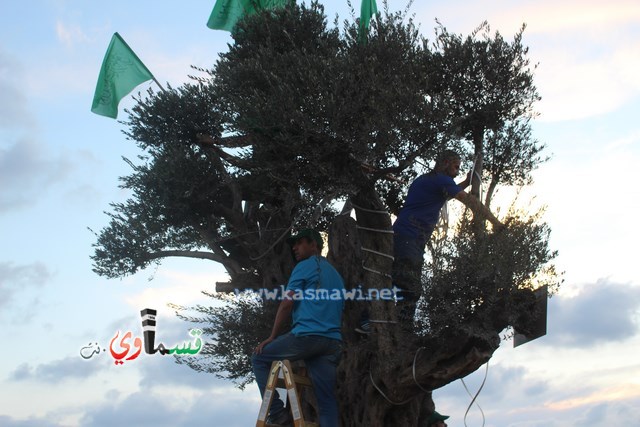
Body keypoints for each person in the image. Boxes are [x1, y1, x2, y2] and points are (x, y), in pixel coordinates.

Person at [357, 150, 503, 333]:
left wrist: (466, 182)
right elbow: (470, 202)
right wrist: (496, 223)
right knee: (409, 287)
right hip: (410, 239)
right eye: (456, 167)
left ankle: (366, 321)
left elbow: (444, 195)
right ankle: (402, 331)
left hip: (401, 236)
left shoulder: (425, 180)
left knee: (391, 278)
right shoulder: (441, 180)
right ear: (446, 162)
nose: (457, 172)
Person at [252, 228, 344, 427]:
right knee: (326, 402)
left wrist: (272, 337)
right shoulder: (336, 275)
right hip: (332, 343)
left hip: (307, 337)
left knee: (259, 358)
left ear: (314, 245)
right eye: (294, 244)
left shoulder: (304, 266)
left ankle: (277, 414)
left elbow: (287, 304)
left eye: (300, 242)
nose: (295, 247)